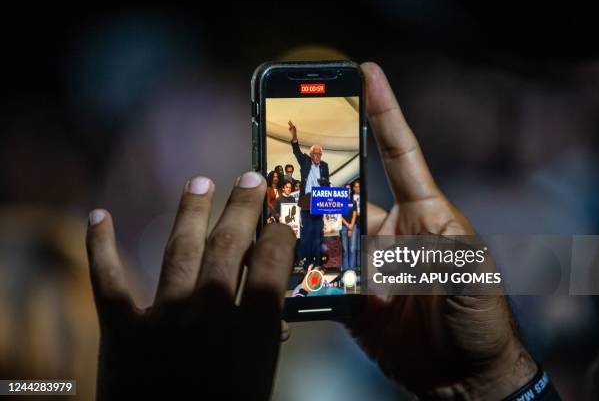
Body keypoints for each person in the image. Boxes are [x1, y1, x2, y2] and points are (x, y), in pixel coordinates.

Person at [88, 62, 559, 400]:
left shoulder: (335, 381)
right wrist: (497, 382)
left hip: (325, 232)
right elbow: (295, 156)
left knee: (323, 259)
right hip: (309, 230)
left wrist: (493, 379)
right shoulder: (304, 166)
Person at [288, 120, 329, 267]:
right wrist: (294, 135)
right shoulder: (305, 161)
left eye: (320, 154)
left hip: (319, 202)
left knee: (318, 234)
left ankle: (317, 263)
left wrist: (325, 186)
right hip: (306, 202)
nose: (318, 156)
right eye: (316, 153)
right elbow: (296, 150)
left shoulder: (325, 166)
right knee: (307, 235)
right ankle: (307, 264)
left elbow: (327, 183)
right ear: (311, 154)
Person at [340, 183, 357, 270]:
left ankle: (352, 269)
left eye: (349, 189)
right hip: (343, 227)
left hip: (353, 227)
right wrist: (347, 225)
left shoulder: (353, 202)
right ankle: (346, 270)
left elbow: (354, 215)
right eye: (346, 189)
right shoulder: (341, 202)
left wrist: (351, 227)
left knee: (352, 249)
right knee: (345, 250)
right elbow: (340, 216)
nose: (348, 190)